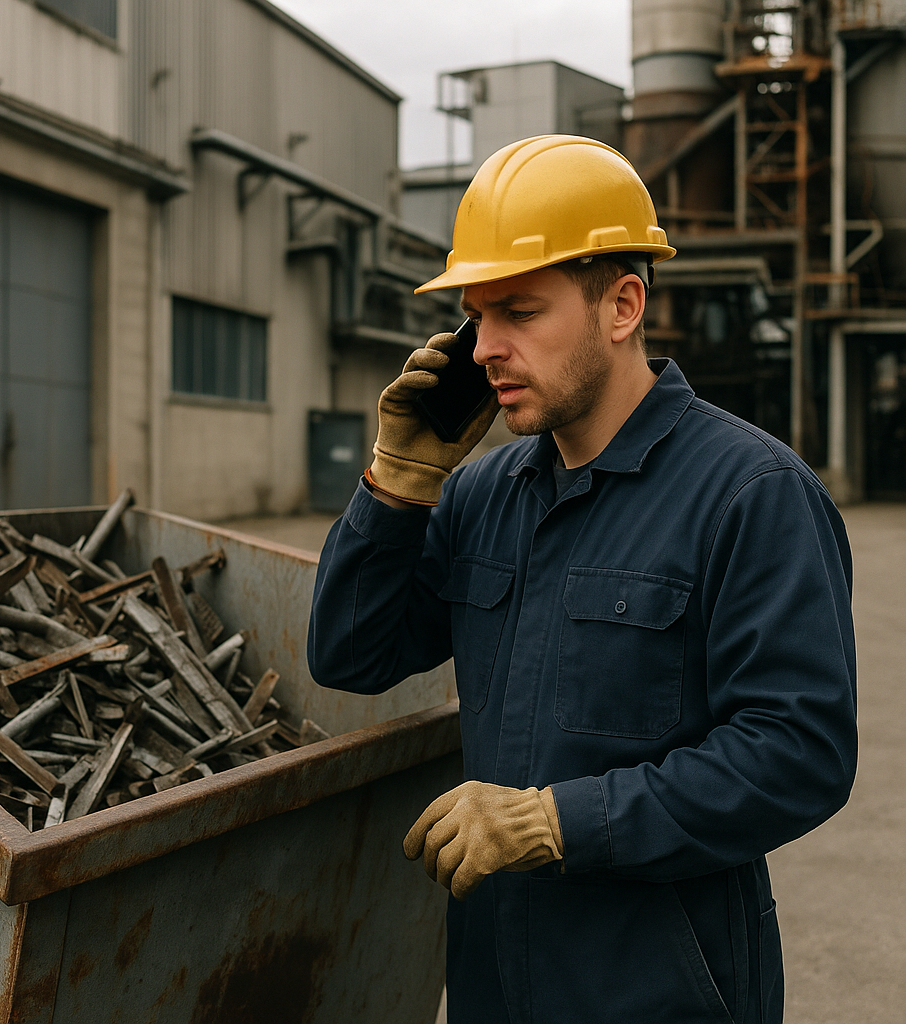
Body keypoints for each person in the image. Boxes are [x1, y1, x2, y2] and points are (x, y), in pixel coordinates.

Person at [307, 135, 857, 1024]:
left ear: (623, 305)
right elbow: (347, 652)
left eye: (519, 311)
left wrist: (558, 821)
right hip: (495, 986)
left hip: (659, 995)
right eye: (476, 317)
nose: (485, 347)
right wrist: (398, 484)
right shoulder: (482, 495)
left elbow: (799, 757)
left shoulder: (751, 496)